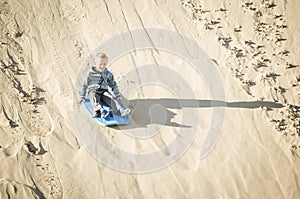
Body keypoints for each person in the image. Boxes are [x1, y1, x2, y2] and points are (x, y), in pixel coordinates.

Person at [79, 53, 131, 118]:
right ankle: (101, 110)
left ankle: (121, 110)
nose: (102, 66)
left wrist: (117, 94)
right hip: (93, 90)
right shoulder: (90, 73)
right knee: (94, 98)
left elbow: (113, 84)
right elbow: (84, 84)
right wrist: (82, 96)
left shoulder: (108, 74)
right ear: (95, 64)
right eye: (100, 64)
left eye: (104, 64)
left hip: (104, 91)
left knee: (111, 98)